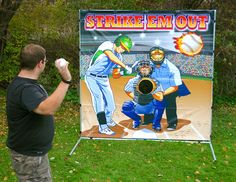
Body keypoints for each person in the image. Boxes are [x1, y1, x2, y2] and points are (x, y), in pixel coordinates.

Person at [6, 43, 72, 181]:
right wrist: (66, 80)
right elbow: (47, 108)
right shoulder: (25, 88)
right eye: (45, 61)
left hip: (34, 154)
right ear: (40, 63)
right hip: (29, 156)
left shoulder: (26, 85)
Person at [85, 34, 133, 135]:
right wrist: (125, 66)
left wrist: (121, 72)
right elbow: (111, 56)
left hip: (104, 79)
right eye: (122, 47)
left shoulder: (119, 57)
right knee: (99, 100)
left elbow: (115, 74)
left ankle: (107, 119)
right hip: (92, 76)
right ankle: (103, 126)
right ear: (118, 42)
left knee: (111, 105)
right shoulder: (107, 45)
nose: (123, 50)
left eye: (125, 49)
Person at [150, 46, 190, 131]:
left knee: (170, 104)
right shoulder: (148, 66)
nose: (157, 58)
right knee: (149, 102)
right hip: (154, 89)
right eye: (154, 55)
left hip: (169, 89)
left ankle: (172, 123)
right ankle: (148, 119)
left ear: (163, 56)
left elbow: (175, 87)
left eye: (159, 55)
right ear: (150, 57)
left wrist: (162, 94)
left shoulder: (172, 68)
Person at [122, 60, 163, 131]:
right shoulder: (133, 80)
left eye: (147, 68)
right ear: (138, 69)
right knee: (126, 106)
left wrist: (150, 89)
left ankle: (156, 124)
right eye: (142, 68)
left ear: (151, 69)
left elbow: (160, 98)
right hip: (138, 104)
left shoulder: (155, 81)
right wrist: (135, 98)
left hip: (150, 105)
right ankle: (137, 119)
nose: (144, 69)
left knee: (160, 103)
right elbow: (127, 90)